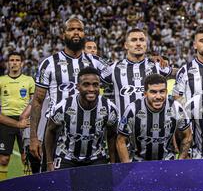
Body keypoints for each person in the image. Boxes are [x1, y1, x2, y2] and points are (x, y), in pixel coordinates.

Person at [30, 17, 108, 171]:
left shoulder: (97, 63)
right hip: (56, 129)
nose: (76, 33)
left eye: (79, 29)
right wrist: (33, 137)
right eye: (71, 29)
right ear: (63, 34)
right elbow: (37, 101)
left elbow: (121, 74)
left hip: (91, 128)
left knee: (92, 180)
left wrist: (153, 62)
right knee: (53, 181)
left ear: (84, 34)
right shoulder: (49, 63)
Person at [44, 67, 118, 170]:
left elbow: (112, 135)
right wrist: (49, 162)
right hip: (67, 157)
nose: (91, 89)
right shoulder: (64, 107)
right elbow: (50, 131)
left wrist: (113, 163)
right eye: (86, 84)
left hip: (96, 158)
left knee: (100, 186)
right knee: (62, 186)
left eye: (95, 85)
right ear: (78, 87)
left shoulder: (109, 108)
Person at [117, 74, 192, 162]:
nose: (158, 97)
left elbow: (187, 135)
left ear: (166, 92)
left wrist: (180, 160)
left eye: (162, 91)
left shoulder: (176, 108)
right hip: (138, 162)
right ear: (145, 93)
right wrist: (127, 167)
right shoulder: (133, 110)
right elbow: (121, 140)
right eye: (153, 92)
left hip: (167, 161)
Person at [101, 28, 174, 117]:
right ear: (126, 45)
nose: (138, 43)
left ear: (146, 45)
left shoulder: (156, 65)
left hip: (152, 126)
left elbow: (181, 72)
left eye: (142, 40)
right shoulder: (113, 68)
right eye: (134, 40)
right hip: (124, 128)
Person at [0, 52, 35, 180]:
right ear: (7, 63)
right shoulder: (1, 80)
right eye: (11, 60)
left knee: (26, 158)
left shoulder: (29, 80)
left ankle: (28, 188)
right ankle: (2, 189)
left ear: (21, 63)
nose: (14, 62)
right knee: (3, 159)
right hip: (6, 121)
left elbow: (34, 103)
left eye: (17, 60)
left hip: (25, 121)